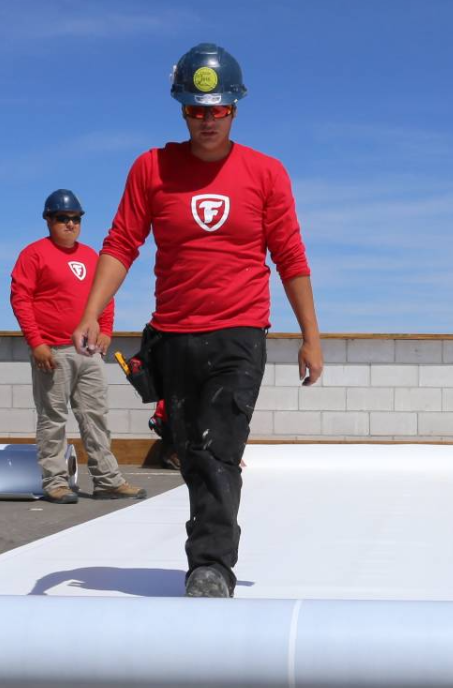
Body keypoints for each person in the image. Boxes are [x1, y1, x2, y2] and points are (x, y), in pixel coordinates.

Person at [71, 43, 323, 598]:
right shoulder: (151, 168)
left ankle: (211, 564)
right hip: (176, 335)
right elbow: (120, 244)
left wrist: (310, 337)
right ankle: (210, 548)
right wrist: (92, 312)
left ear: (235, 108)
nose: (207, 121)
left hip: (239, 333)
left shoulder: (266, 173)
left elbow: (291, 257)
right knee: (190, 450)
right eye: (195, 110)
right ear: (181, 109)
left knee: (217, 447)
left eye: (217, 110)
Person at [9, 190, 147, 505]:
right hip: (52, 351)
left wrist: (107, 330)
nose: (70, 224)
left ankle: (107, 481)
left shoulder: (90, 256)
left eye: (75, 219)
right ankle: (56, 483)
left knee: (95, 415)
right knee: (53, 417)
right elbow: (20, 299)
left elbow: (105, 294)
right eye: (62, 218)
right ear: (48, 220)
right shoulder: (34, 254)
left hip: (88, 353)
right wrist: (37, 343)